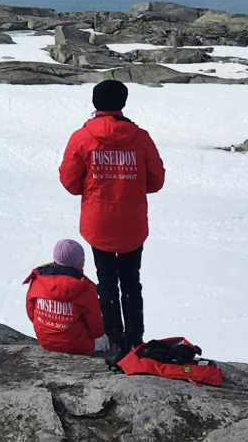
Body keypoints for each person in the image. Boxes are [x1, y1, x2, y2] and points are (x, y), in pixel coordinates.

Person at [58, 78, 164, 356]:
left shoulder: (82, 137)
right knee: (131, 281)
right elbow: (156, 180)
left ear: (95, 104)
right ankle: (136, 339)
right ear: (123, 103)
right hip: (132, 223)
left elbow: (70, 183)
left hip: (99, 223)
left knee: (106, 281)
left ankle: (115, 340)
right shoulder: (140, 137)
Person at [23, 237, 103, 355]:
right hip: (79, 346)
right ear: (80, 263)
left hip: (46, 342)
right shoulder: (85, 288)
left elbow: (31, 315)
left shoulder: (38, 280)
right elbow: (97, 331)